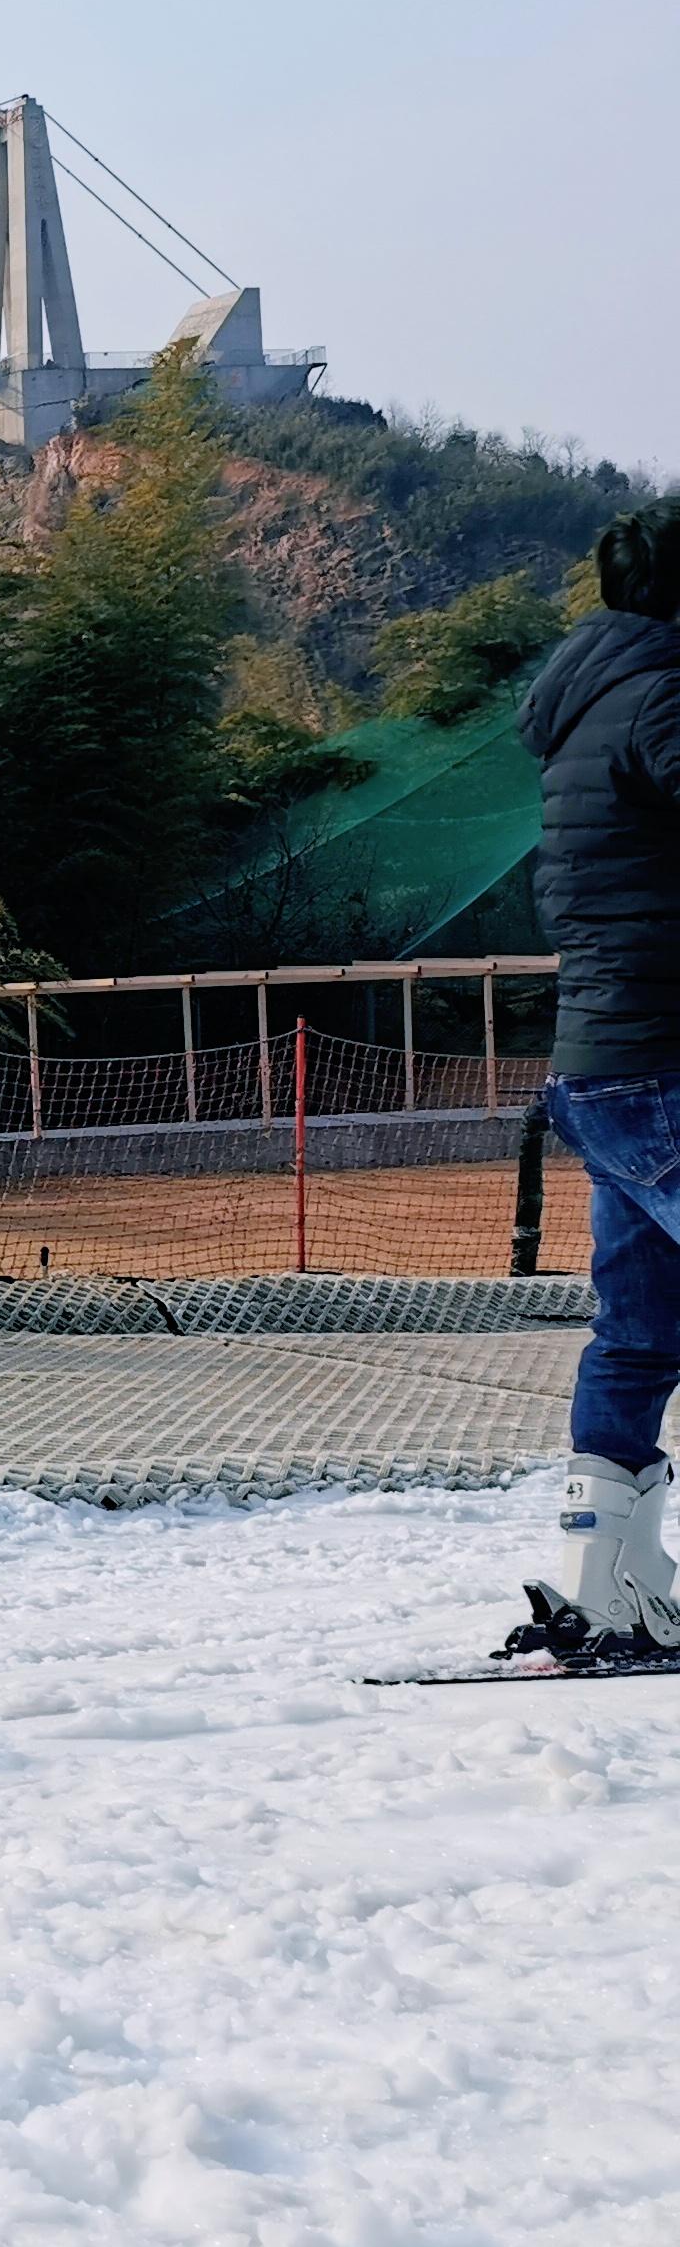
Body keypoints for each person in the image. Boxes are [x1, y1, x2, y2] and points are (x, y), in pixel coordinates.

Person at [520, 493, 680, 1661]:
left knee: (635, 1335)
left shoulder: (587, 699)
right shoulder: (667, 687)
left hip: (602, 1067)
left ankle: (603, 1582)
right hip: (665, 1062)